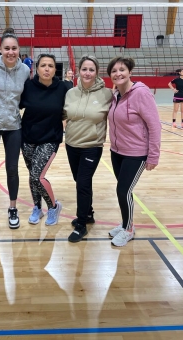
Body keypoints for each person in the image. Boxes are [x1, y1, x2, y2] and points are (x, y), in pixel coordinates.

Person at [107, 57, 161, 247]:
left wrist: (153, 155)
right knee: (123, 190)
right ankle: (125, 223)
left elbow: (155, 126)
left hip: (136, 153)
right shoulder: (115, 95)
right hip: (117, 151)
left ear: (130, 72)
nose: (118, 73)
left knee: (124, 190)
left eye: (122, 69)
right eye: (114, 71)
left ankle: (128, 229)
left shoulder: (141, 94)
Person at [0, 32, 30, 232]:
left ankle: (12, 208)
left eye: (14, 48)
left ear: (19, 50)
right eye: (7, 48)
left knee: (12, 169)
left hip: (13, 126)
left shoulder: (25, 70)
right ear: (0, 49)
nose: (11, 52)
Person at [63, 55, 113, 242]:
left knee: (83, 183)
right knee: (80, 181)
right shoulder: (70, 93)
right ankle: (89, 213)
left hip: (92, 146)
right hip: (71, 144)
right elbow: (63, 114)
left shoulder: (107, 94)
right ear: (79, 71)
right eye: (84, 69)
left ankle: (82, 224)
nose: (87, 73)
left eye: (91, 69)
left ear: (97, 72)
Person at [20, 54, 67, 226]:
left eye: (51, 66)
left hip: (50, 138)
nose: (47, 69)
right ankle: (37, 207)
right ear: (37, 68)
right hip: (27, 138)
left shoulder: (64, 87)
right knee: (32, 177)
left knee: (37, 176)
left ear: (55, 69)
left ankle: (53, 207)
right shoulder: (27, 86)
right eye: (43, 65)